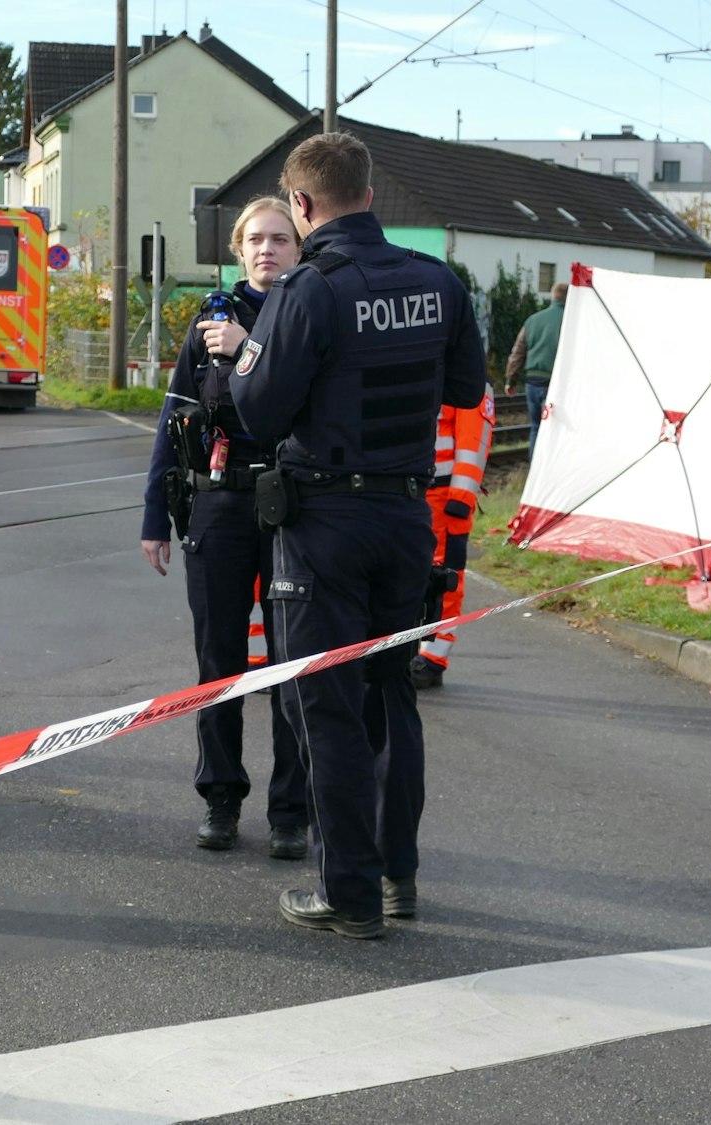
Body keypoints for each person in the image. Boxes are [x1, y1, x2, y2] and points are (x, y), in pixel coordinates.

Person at [235, 132, 486, 939]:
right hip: (406, 518)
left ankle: (346, 892)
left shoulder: (308, 289)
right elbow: (467, 387)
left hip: (325, 527)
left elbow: (258, 410)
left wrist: (247, 360)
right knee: (391, 698)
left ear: (302, 206)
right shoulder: (439, 283)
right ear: (370, 195)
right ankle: (397, 878)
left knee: (327, 706)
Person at [139, 197, 310, 859]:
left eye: (281, 239)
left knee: (296, 661)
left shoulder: (310, 314)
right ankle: (220, 797)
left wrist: (251, 350)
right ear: (238, 250)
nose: (268, 250)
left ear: (300, 249)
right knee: (220, 663)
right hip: (222, 502)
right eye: (256, 240)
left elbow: (303, 403)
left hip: (298, 505)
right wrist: (156, 513)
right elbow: (176, 419)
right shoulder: (210, 319)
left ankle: (292, 811)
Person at [410, 387, 495, 690]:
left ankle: (433, 658)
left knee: (442, 581)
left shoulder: (467, 378)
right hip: (413, 491)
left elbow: (475, 440)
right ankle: (411, 651)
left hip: (445, 499)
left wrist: (460, 497)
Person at [504, 280, 567, 450]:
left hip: (532, 382)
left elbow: (517, 353)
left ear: (552, 297)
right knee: (554, 430)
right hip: (555, 384)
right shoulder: (570, 322)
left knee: (536, 427)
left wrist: (511, 380)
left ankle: (534, 469)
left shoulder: (532, 320)